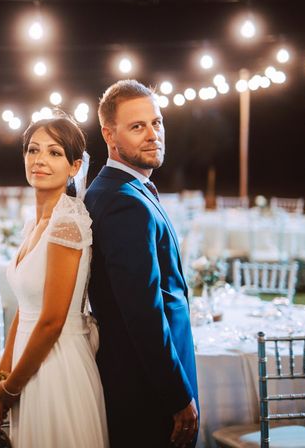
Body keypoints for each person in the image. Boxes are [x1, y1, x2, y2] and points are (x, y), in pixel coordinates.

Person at [84, 79, 199, 448]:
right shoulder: (123, 202)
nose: (153, 134)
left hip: (135, 377)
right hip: (146, 387)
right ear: (109, 134)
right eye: (137, 126)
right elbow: (143, 313)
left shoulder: (117, 190)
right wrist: (177, 395)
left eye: (157, 122)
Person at [0, 114, 108, 448]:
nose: (39, 160)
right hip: (28, 360)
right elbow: (25, 310)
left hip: (57, 365)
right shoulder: (35, 224)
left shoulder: (66, 223)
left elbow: (52, 320)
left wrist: (11, 388)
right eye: (33, 150)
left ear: (75, 166)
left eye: (54, 153)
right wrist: (4, 370)